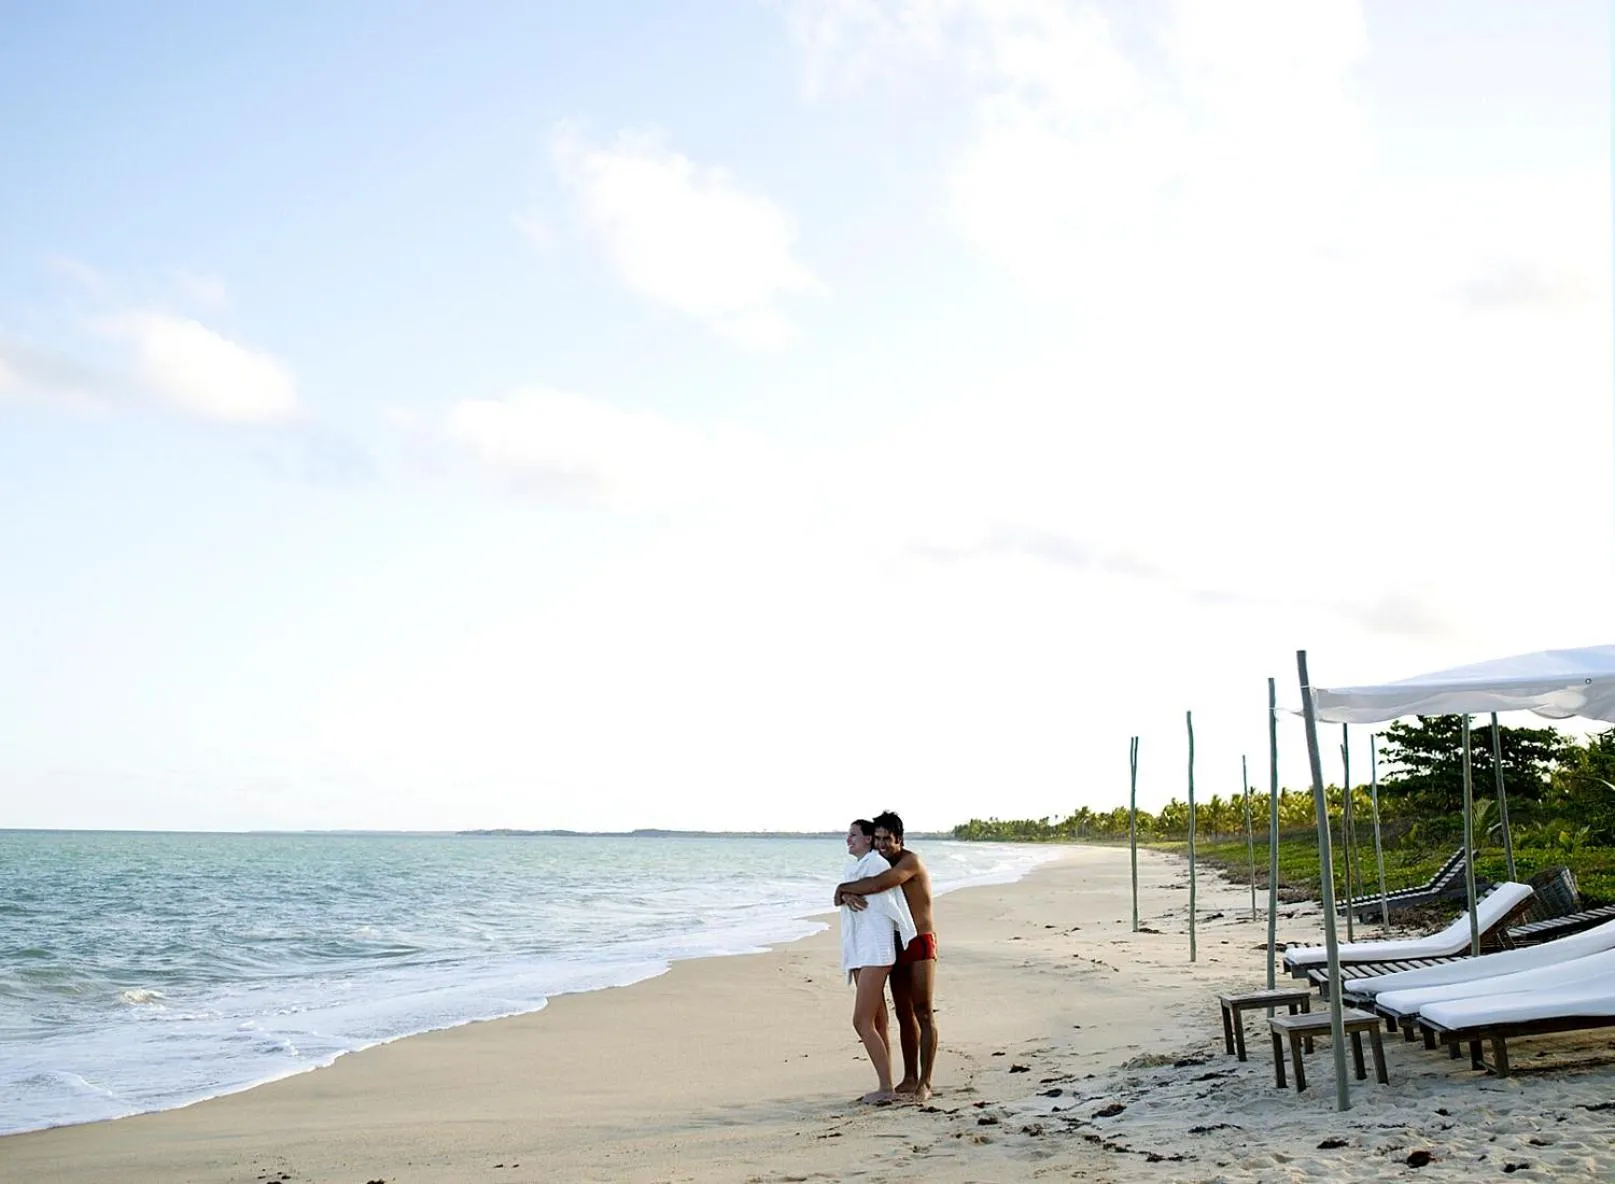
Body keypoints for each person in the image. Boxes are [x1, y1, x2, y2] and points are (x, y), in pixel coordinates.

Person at [834, 810, 938, 1101]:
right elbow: (869, 890)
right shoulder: (877, 863)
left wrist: (842, 889)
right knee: (903, 1013)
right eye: (877, 839)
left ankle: (925, 1082)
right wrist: (844, 894)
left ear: (899, 840)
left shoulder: (908, 862)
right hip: (897, 943)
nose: (881, 845)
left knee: (924, 1012)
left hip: (920, 941)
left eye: (886, 839)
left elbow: (882, 884)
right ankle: (908, 1078)